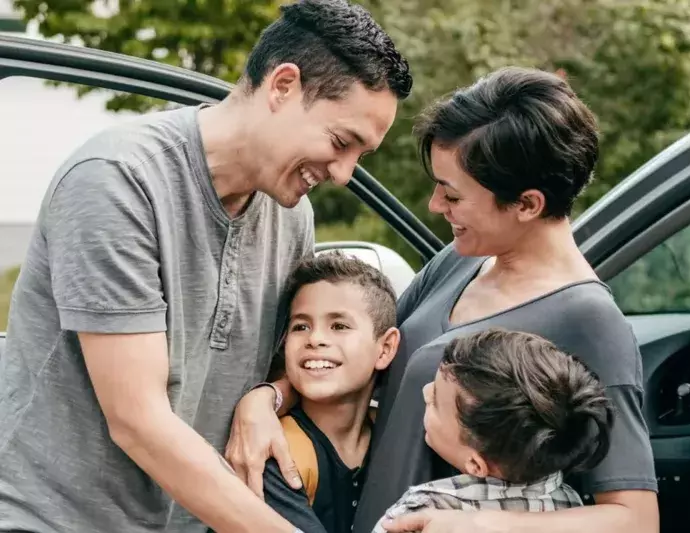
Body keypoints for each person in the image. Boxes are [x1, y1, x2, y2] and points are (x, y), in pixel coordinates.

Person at [0, 1, 411, 532]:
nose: (343, 173)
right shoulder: (118, 181)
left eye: (361, 154)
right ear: (282, 87)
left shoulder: (291, 218)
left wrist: (268, 397)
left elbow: (282, 367)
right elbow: (138, 420)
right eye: (340, 142)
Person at [227, 66, 659, 533]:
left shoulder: (590, 321)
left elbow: (633, 519)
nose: (435, 205)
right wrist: (268, 399)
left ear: (528, 204)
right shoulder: (459, 260)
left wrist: (478, 525)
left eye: (452, 194)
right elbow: (369, 356)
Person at [373, 328, 615, 533]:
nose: (426, 392)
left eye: (435, 401)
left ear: (476, 465)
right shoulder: (570, 503)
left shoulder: (423, 510)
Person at [261, 252, 400, 533]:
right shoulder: (279, 454)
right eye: (301, 326)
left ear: (384, 348)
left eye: (339, 326)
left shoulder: (395, 441)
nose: (315, 339)